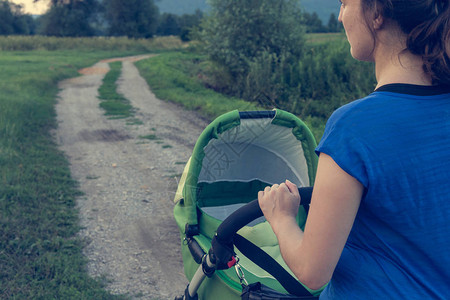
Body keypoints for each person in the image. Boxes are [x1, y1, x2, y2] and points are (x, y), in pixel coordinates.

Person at [258, 0, 450, 298]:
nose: (339, 16)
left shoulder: (355, 126)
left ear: (376, 14)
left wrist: (281, 217)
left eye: (345, 3)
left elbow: (312, 270)